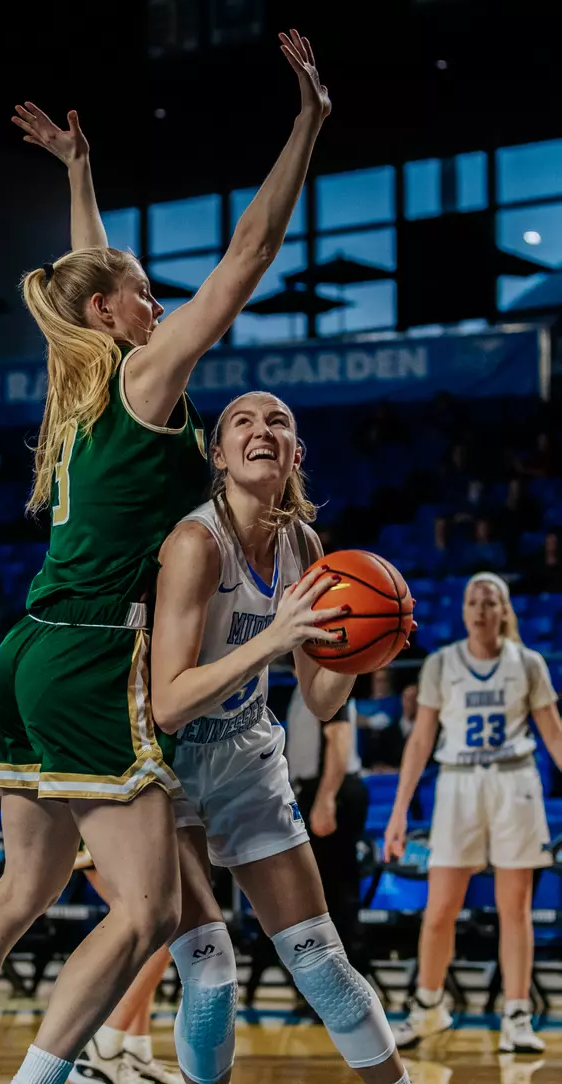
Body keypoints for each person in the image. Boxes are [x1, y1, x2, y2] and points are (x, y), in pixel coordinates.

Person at [0, 26, 331, 1084]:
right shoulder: (142, 377)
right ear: (110, 315)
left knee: (22, 887)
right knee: (148, 908)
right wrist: (307, 123)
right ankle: (39, 1078)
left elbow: (94, 271)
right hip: (89, 654)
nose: (156, 299)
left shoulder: (79, 381)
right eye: (139, 291)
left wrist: (81, 179)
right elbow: (248, 258)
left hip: (25, 651)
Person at [151, 390, 410, 1084]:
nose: (261, 429)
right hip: (161, 764)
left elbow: (321, 702)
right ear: (219, 454)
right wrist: (274, 636)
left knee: (324, 963)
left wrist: (363, 653)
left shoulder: (306, 547)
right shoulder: (194, 543)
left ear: (296, 453)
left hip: (243, 755)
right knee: (209, 979)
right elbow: (168, 703)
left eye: (279, 423)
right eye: (243, 420)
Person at [384, 573, 562, 1055]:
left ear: (504, 611)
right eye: (473, 602)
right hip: (458, 783)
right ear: (463, 612)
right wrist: (399, 810)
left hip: (514, 782)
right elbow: (421, 741)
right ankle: (428, 1007)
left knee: (515, 910)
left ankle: (517, 1016)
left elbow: (555, 736)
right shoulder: (442, 664)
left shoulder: (528, 664)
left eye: (491, 602)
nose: (481, 609)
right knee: (440, 909)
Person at [70, 844, 180, 1084]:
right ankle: (101, 1050)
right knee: (159, 927)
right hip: (107, 825)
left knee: (154, 930)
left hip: (102, 825)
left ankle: (133, 1050)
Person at [286, 690, 368, 970]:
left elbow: (340, 738)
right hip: (313, 790)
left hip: (330, 791)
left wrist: (326, 798)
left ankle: (347, 975)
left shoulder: (327, 678)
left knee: (334, 895)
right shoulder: (307, 685)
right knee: (317, 894)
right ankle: (328, 974)